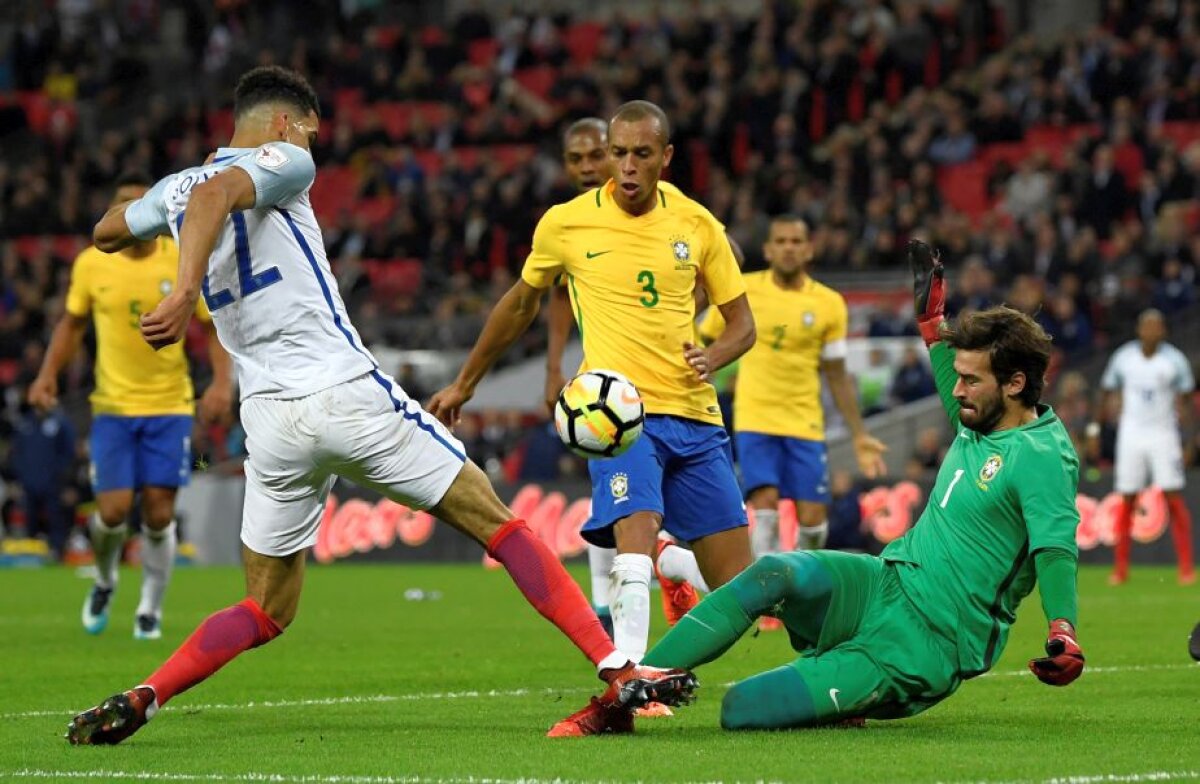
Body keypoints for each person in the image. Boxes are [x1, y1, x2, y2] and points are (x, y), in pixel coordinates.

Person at [65, 67, 691, 747]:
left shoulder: (175, 190)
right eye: (309, 129)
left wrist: (153, 217)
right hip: (342, 392)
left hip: (270, 423)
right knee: (495, 521)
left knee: (266, 607)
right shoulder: (285, 159)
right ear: (283, 122)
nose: (314, 142)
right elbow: (221, 188)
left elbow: (106, 230)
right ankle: (616, 666)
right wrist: (186, 290)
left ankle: (147, 692)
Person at [575, 240, 1085, 733]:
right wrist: (933, 323)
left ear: (1015, 383)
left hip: (928, 642)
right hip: (884, 584)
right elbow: (947, 364)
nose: (956, 389)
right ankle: (626, 690)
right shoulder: (982, 419)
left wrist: (1062, 629)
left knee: (741, 709)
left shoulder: (1040, 457)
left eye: (971, 380)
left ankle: (856, 688)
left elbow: (1054, 547)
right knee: (773, 571)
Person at [429, 100, 756, 736]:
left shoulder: (698, 223)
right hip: (621, 413)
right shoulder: (567, 224)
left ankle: (825, 676)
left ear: (666, 157)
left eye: (641, 154)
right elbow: (522, 302)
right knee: (634, 536)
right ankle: (622, 687)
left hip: (695, 416)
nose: (626, 166)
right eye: (617, 153)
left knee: (742, 588)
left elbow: (742, 322)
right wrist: (466, 381)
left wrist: (712, 354)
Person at [544, 117, 738, 652]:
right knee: (619, 516)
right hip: (608, 395)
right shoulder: (568, 226)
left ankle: (669, 567)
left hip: (681, 399)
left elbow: (727, 261)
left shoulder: (681, 213)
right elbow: (554, 298)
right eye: (578, 159)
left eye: (594, 156)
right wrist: (554, 368)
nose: (590, 166)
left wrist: (684, 313)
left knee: (634, 523)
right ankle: (623, 655)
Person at [28, 172, 234, 640]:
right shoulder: (92, 264)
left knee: (159, 513)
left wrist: (223, 382)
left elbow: (212, 327)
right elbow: (71, 324)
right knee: (115, 510)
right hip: (114, 407)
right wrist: (46, 375)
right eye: (118, 209)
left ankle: (150, 609)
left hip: (170, 405)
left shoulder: (181, 256)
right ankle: (104, 580)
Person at [696, 215, 887, 566]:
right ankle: (766, 600)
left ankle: (800, 588)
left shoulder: (829, 304)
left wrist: (859, 435)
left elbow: (836, 373)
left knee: (814, 521)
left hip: (804, 423)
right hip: (755, 418)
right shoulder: (743, 289)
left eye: (796, 241)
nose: (788, 248)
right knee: (765, 507)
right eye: (781, 241)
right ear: (768, 250)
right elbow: (704, 339)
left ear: (809, 250)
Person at [1096, 309, 1195, 586]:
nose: (1152, 331)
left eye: (1157, 326)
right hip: (1132, 434)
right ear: (1139, 330)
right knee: (1126, 499)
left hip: (1164, 434)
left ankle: (1186, 567)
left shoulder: (1174, 360)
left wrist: (1187, 437)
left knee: (1173, 497)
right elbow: (1105, 392)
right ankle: (1120, 568)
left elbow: (1187, 399)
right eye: (1147, 326)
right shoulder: (1124, 358)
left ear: (1163, 330)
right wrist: (1096, 429)